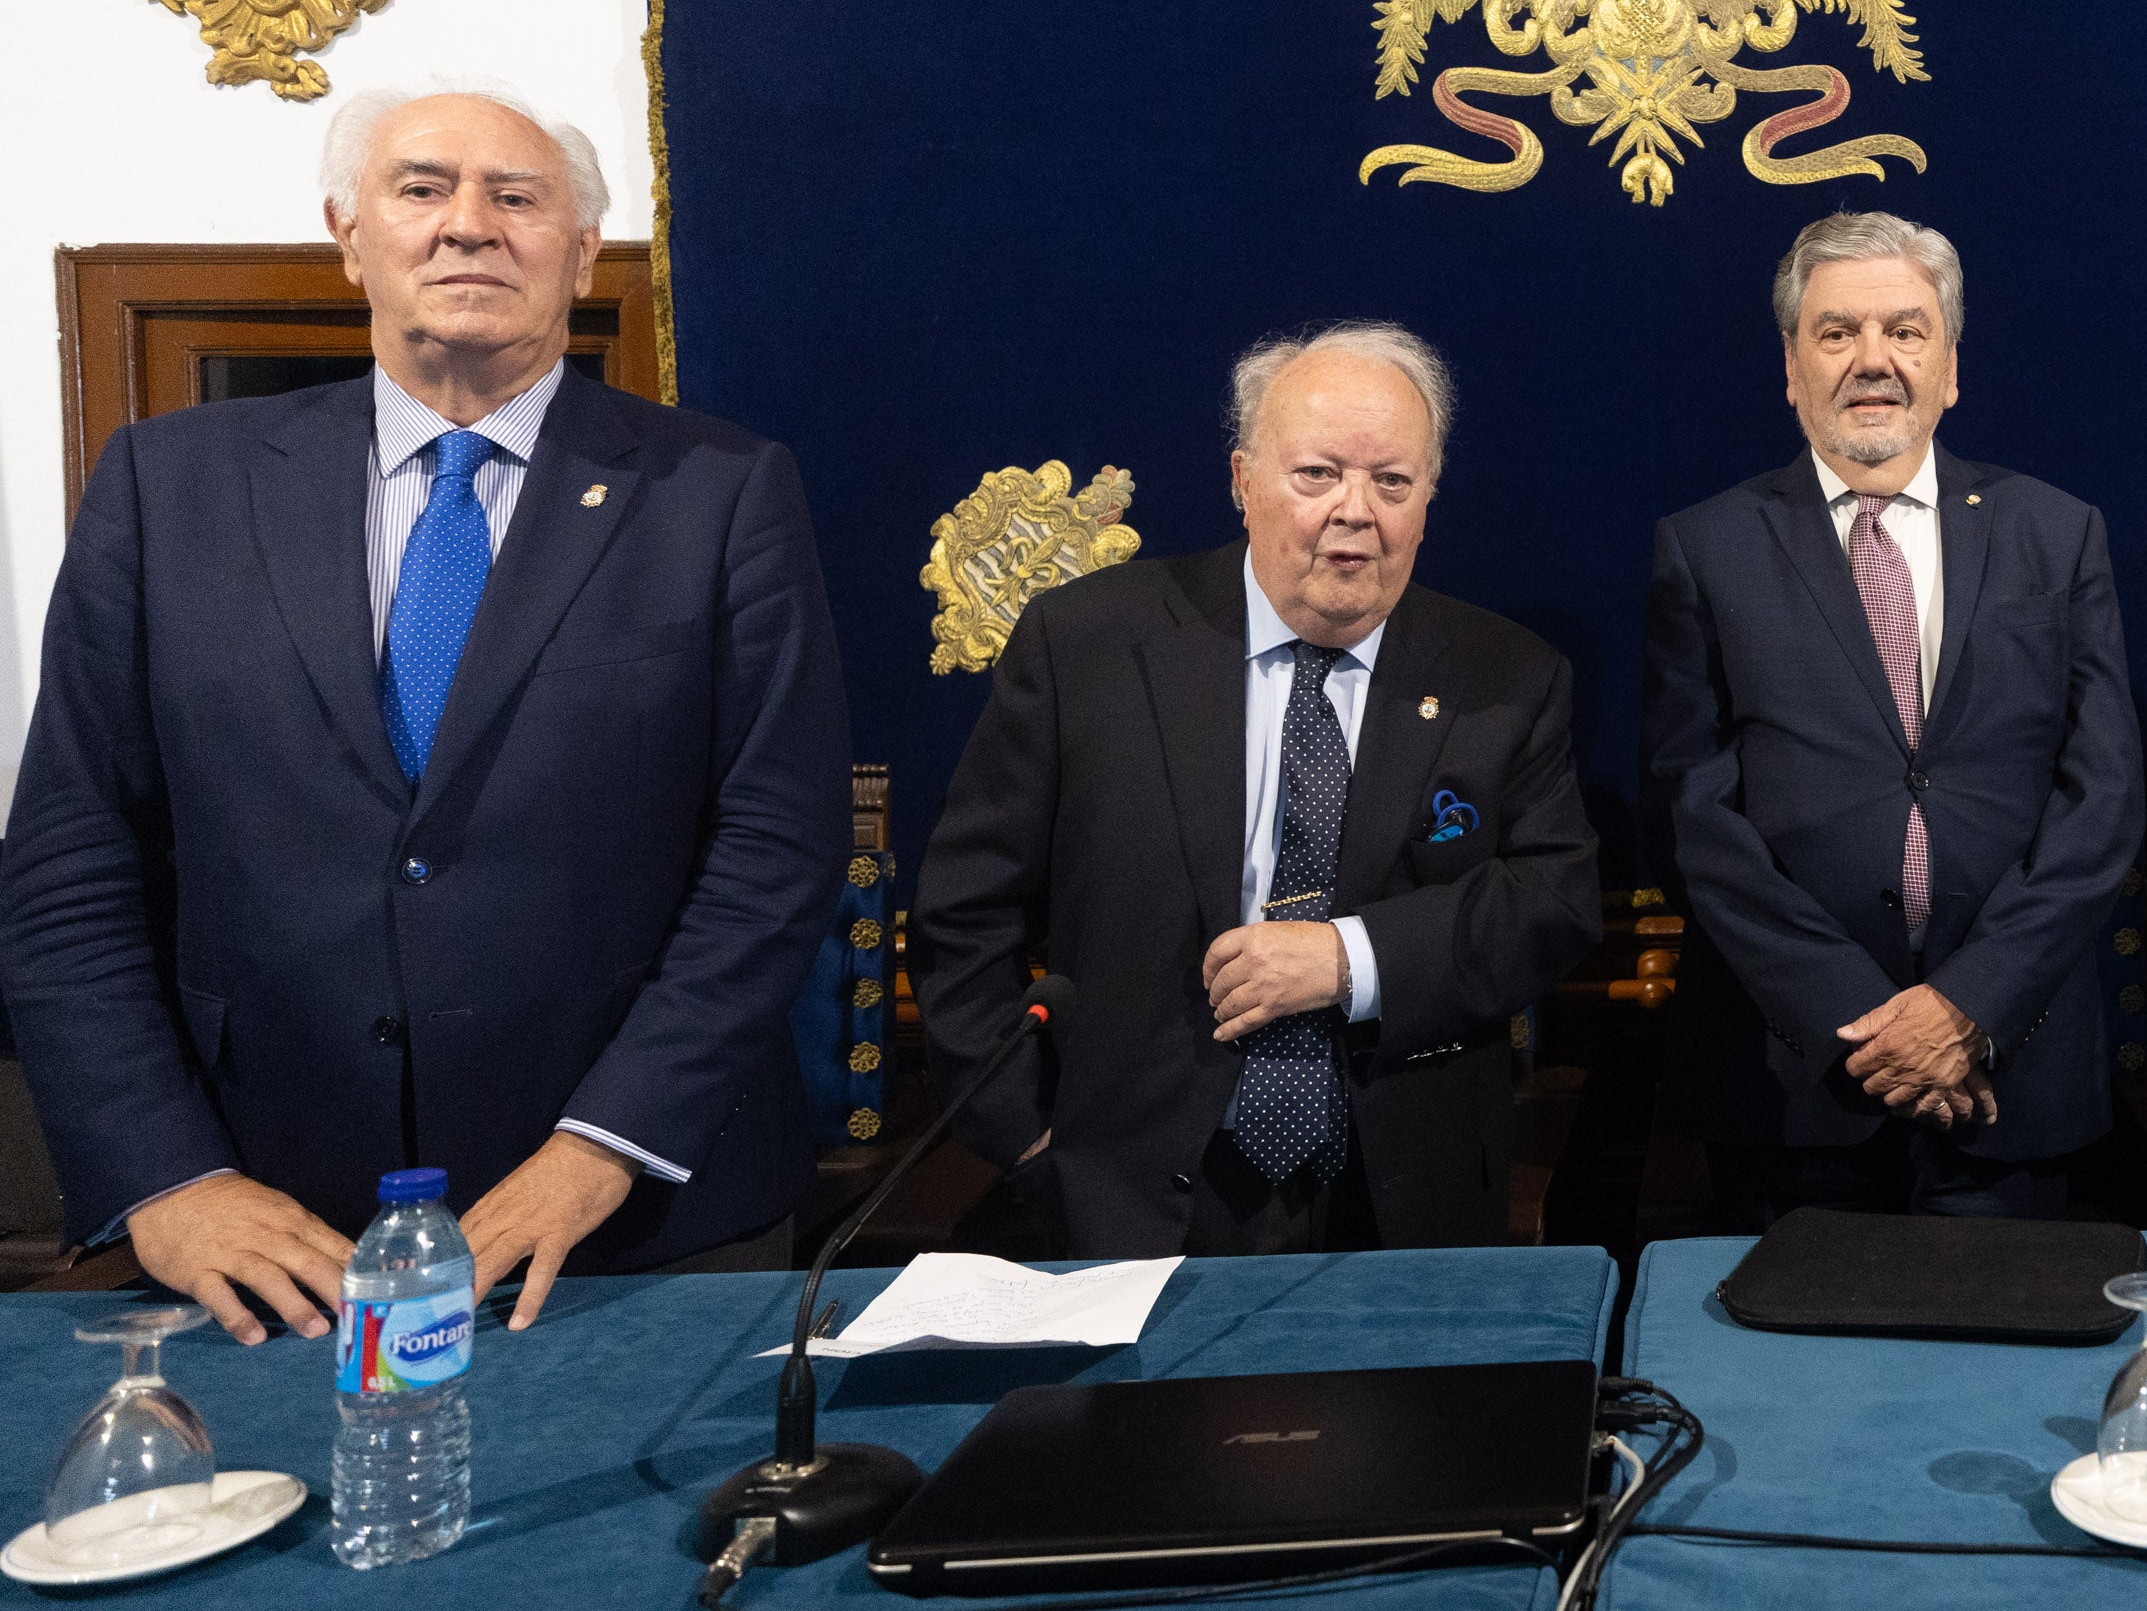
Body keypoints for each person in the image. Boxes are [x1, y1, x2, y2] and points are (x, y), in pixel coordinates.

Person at [0, 83, 851, 1342]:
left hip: (638, 1228)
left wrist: (606, 1141)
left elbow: (774, 852)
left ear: (576, 251)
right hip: (268, 1230)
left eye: (517, 197)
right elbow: (71, 863)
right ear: (351, 236)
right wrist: (164, 1175)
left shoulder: (720, 493)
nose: (469, 224)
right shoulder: (166, 487)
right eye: (422, 188)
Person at [912, 325, 1597, 1256]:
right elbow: (963, 916)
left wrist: (1347, 961)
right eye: (1317, 474)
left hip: (1404, 1204)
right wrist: (1028, 1141)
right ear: (1242, 480)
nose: (1355, 510)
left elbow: (1550, 903)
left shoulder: (1506, 675)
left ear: (1428, 499)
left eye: (1392, 481)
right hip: (1125, 1194)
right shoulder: (1088, 647)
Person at [1644, 212, 2144, 1223]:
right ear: (1790, 366)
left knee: (2004, 1378)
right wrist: (1860, 1023)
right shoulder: (1706, 547)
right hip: (1796, 1086)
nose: (1872, 359)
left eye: (1905, 331)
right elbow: (1688, 818)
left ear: (1949, 365)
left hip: (2009, 1072)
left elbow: (2103, 799)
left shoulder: (2056, 533)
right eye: (1836, 333)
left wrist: (1969, 1004)